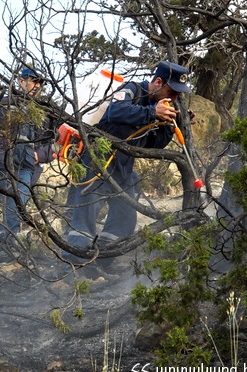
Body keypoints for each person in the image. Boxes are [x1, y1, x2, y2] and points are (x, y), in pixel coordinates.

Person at [64, 61, 193, 265]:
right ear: (158, 82)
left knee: (125, 219)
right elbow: (115, 112)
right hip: (97, 162)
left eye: (178, 94)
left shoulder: (158, 107)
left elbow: (151, 144)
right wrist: (152, 112)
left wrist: (168, 127)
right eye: (172, 91)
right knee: (84, 218)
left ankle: (101, 264)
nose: (175, 98)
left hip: (124, 168)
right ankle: (72, 268)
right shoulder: (132, 89)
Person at [0, 66, 55, 264]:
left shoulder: (43, 110)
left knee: (15, 211)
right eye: (33, 81)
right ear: (21, 81)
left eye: (40, 83)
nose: (37, 86)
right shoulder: (2, 102)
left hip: (24, 169)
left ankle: (5, 259)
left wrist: (38, 155)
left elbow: (51, 144)